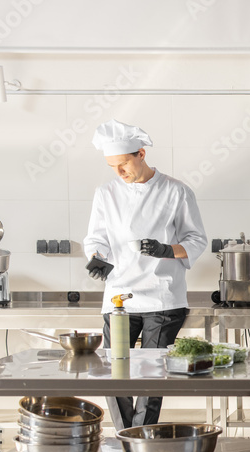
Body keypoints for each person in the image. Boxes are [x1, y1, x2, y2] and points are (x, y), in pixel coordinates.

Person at [83, 119, 208, 430]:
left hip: (162, 295)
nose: (119, 172)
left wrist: (167, 250)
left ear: (140, 153)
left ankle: (139, 439)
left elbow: (197, 240)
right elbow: (95, 238)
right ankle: (127, 437)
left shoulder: (176, 191)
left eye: (123, 163)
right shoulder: (106, 193)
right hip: (119, 297)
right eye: (113, 166)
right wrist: (97, 257)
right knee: (117, 373)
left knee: (153, 374)